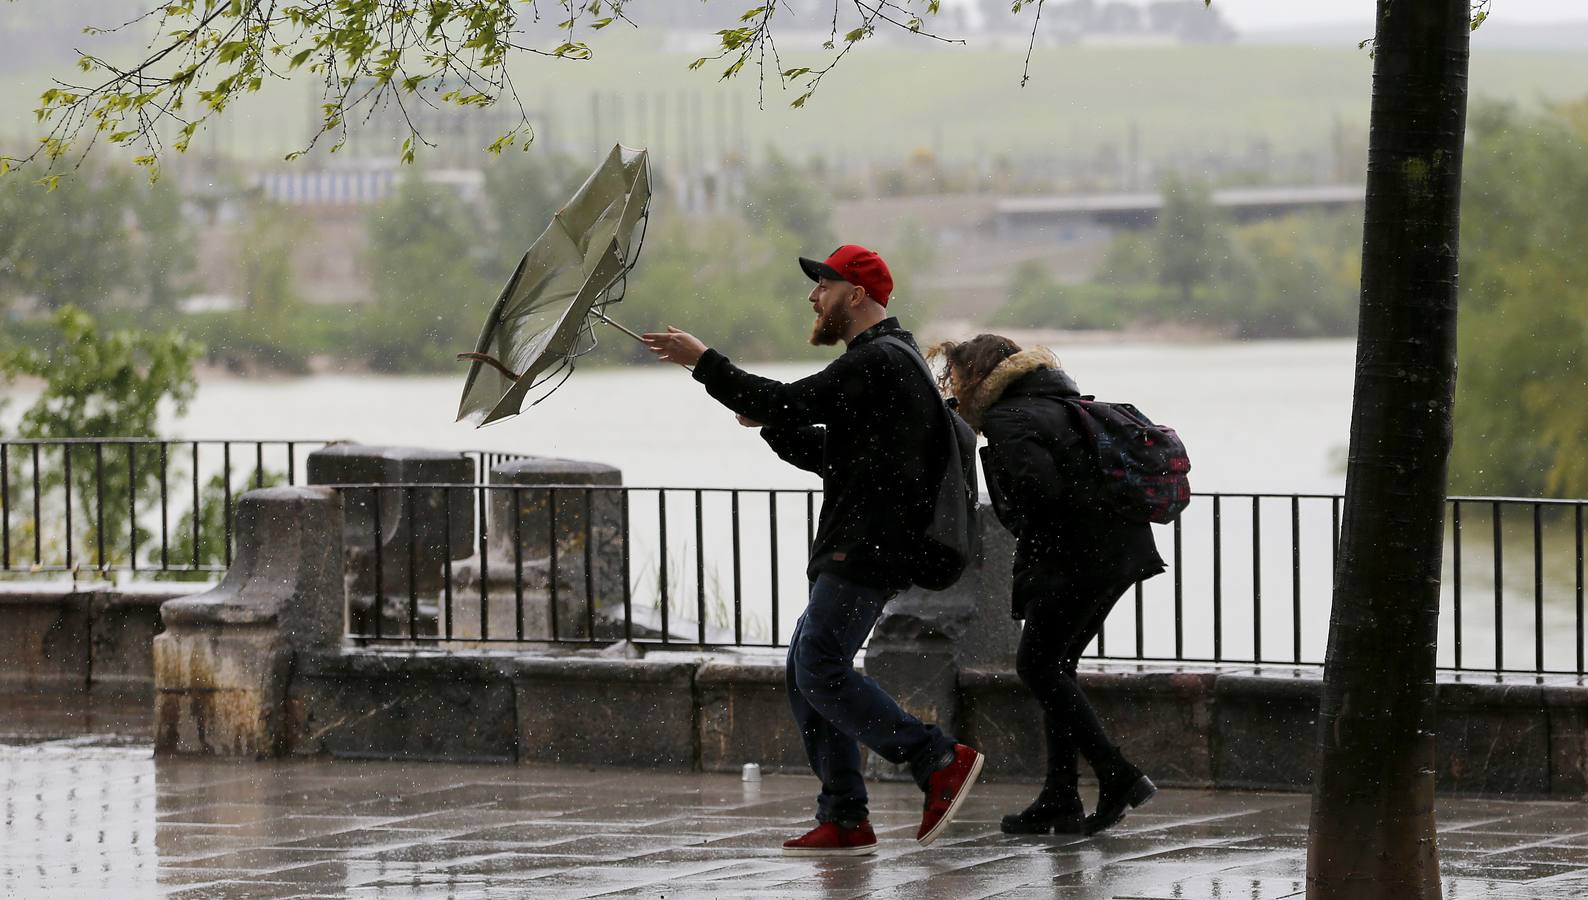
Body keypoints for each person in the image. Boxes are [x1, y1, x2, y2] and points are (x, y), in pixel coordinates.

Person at [641, 244, 985, 857]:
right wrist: (770, 417)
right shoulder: (886, 362)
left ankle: (937, 759)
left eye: (822, 285)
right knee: (806, 670)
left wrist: (704, 363)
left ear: (855, 295)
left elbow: (790, 401)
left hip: (865, 549)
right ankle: (846, 815)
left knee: (820, 665)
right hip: (860, 545)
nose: (812, 296)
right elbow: (828, 454)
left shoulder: (879, 360)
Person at [931, 333, 1164, 837]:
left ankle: (1116, 773)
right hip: (1118, 552)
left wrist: (1024, 525)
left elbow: (1041, 492)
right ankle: (1060, 795)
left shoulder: (1009, 419)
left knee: (1037, 665)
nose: (953, 388)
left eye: (955, 378)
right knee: (1057, 667)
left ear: (977, 377)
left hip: (1074, 559)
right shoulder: (1060, 401)